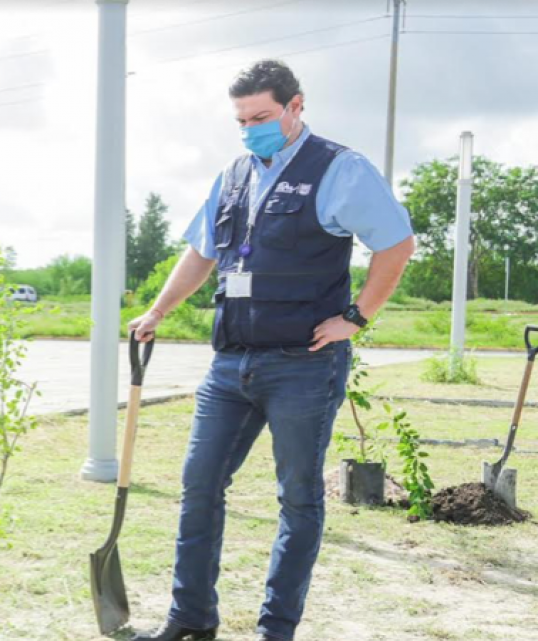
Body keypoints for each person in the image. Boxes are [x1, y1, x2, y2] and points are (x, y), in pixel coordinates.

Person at [127, 60, 415, 641]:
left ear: (295, 107)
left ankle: (274, 630)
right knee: (199, 486)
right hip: (231, 362)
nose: (250, 128)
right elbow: (203, 252)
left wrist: (355, 318)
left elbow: (397, 244)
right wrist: (159, 310)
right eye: (241, 120)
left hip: (303, 365)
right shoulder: (234, 174)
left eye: (261, 116)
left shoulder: (340, 168)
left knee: (298, 499)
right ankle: (191, 618)